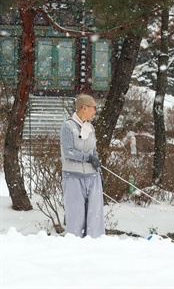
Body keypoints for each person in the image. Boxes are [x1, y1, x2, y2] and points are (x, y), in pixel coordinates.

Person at [59, 94, 104, 238]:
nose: (95, 112)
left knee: (94, 217)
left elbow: (93, 150)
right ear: (84, 108)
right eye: (93, 108)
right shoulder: (68, 126)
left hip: (92, 177)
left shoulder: (90, 127)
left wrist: (97, 166)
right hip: (73, 177)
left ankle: (93, 246)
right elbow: (68, 152)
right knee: (76, 216)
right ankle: (75, 249)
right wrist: (87, 158)